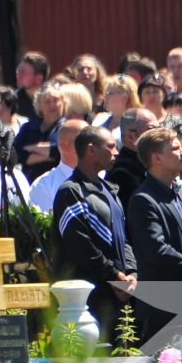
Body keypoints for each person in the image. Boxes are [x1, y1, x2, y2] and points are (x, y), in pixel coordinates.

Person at [53, 125, 139, 342]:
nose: (116, 152)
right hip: (89, 300)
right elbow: (80, 246)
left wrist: (131, 273)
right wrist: (114, 276)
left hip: (119, 293)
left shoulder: (110, 190)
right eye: (110, 146)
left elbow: (123, 237)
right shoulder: (71, 191)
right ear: (91, 150)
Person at [127, 124, 182, 341]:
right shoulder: (143, 200)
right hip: (163, 309)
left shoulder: (180, 192)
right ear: (157, 158)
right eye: (174, 148)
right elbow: (156, 249)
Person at [28, 117, 88, 213]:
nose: (92, 145)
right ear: (65, 145)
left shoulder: (102, 176)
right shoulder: (44, 185)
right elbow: (44, 226)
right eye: (85, 140)